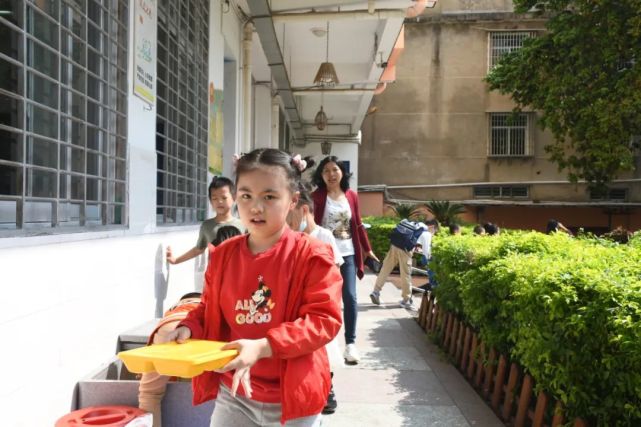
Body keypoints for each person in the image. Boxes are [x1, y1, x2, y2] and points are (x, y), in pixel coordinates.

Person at [167, 149, 343, 427]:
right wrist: (189, 327)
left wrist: (265, 345)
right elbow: (209, 310)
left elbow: (324, 320)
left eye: (269, 197)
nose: (255, 207)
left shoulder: (312, 254)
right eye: (246, 195)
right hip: (235, 391)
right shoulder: (223, 255)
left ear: (293, 201)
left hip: (293, 397)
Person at [311, 156, 378, 365]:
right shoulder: (317, 196)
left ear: (342, 173)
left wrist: (367, 250)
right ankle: (323, 343)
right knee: (325, 299)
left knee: (350, 297)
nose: (331, 174)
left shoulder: (352, 196)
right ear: (321, 175)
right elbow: (310, 223)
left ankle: (350, 344)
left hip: (347, 254)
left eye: (335, 170)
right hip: (324, 254)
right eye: (326, 171)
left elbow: (358, 224)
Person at [286, 181, 343, 415]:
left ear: (304, 210)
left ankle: (327, 388)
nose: (288, 224)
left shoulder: (324, 236)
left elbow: (336, 271)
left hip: (320, 301)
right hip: (297, 301)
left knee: (325, 347)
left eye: (291, 218)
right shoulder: (289, 238)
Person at [138, 292, 202, 427]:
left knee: (150, 394)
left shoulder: (174, 309)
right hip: (201, 329)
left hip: (170, 328)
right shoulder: (207, 305)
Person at [166, 176, 245, 265]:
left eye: (224, 198)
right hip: (214, 276)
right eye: (215, 198)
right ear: (211, 201)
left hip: (239, 276)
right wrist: (176, 260)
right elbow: (198, 249)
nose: (219, 201)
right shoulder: (207, 226)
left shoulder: (244, 225)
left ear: (234, 198)